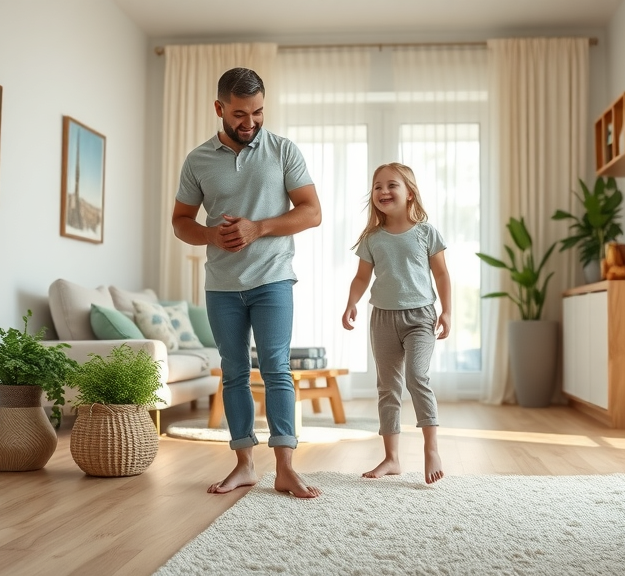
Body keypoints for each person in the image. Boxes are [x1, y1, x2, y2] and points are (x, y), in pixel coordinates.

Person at [172, 67, 322, 499]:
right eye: (240, 114)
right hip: (221, 285)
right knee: (234, 372)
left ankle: (286, 469)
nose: (250, 123)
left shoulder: (282, 151)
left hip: (273, 278)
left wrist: (260, 228)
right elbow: (181, 221)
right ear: (219, 108)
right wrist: (209, 235)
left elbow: (312, 211)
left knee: (277, 370)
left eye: (257, 112)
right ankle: (243, 466)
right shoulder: (198, 160)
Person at [341, 162, 451, 485]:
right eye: (377, 187)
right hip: (383, 319)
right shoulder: (372, 238)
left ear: (410, 194)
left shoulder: (426, 232)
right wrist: (351, 303)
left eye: (392, 185)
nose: (384, 191)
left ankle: (432, 448)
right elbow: (362, 277)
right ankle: (392, 458)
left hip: (420, 317)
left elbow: (442, 274)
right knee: (387, 387)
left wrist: (446, 311)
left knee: (417, 376)